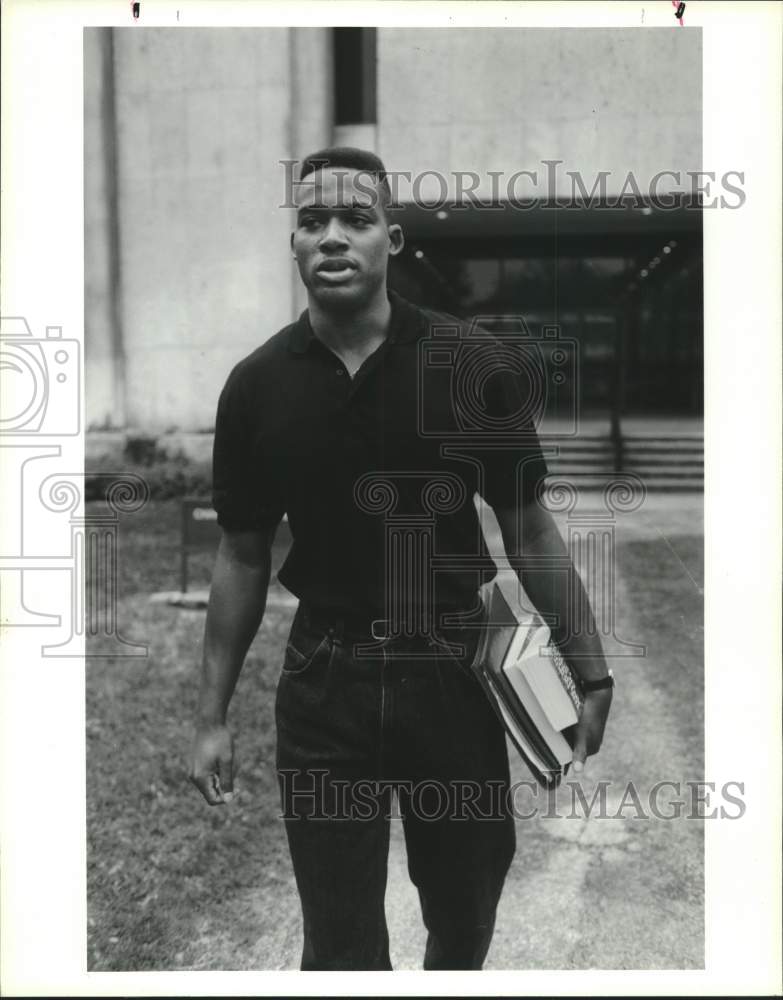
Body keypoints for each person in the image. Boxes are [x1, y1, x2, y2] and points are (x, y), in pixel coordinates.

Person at [189, 147, 613, 971]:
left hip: (453, 673)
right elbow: (240, 558)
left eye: (353, 219)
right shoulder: (255, 386)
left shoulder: (469, 364)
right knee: (339, 940)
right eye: (312, 222)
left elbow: (527, 528)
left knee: (465, 909)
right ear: (294, 244)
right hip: (324, 685)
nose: (333, 238)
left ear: (394, 236)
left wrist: (590, 673)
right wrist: (210, 717)